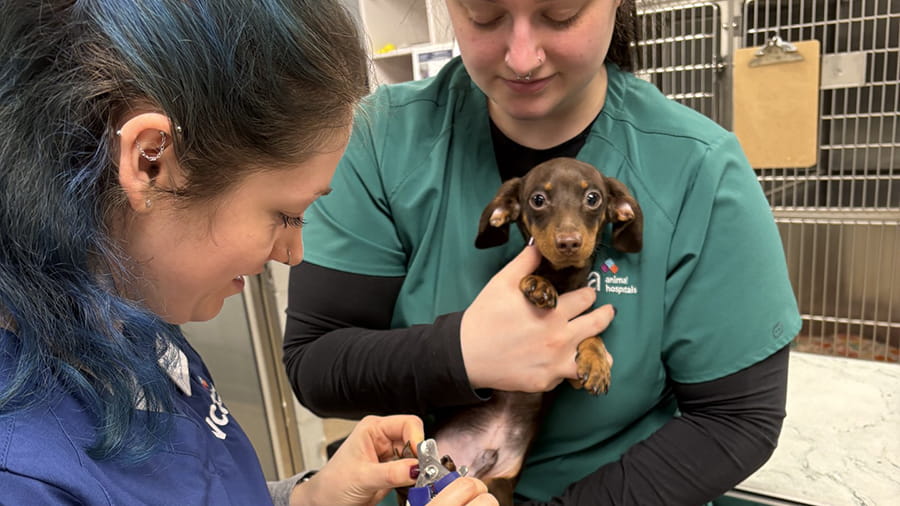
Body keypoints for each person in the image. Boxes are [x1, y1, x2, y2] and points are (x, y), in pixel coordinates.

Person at [283, 0, 802, 504]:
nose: (522, 56)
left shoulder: (700, 170)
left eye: (561, 15)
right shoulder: (380, 139)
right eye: (485, 15)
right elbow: (315, 364)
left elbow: (738, 420)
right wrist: (460, 354)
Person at [0, 1, 497, 505]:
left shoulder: (132, 310)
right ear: (151, 161)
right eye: (285, 215)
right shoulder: (24, 478)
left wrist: (307, 499)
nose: (293, 253)